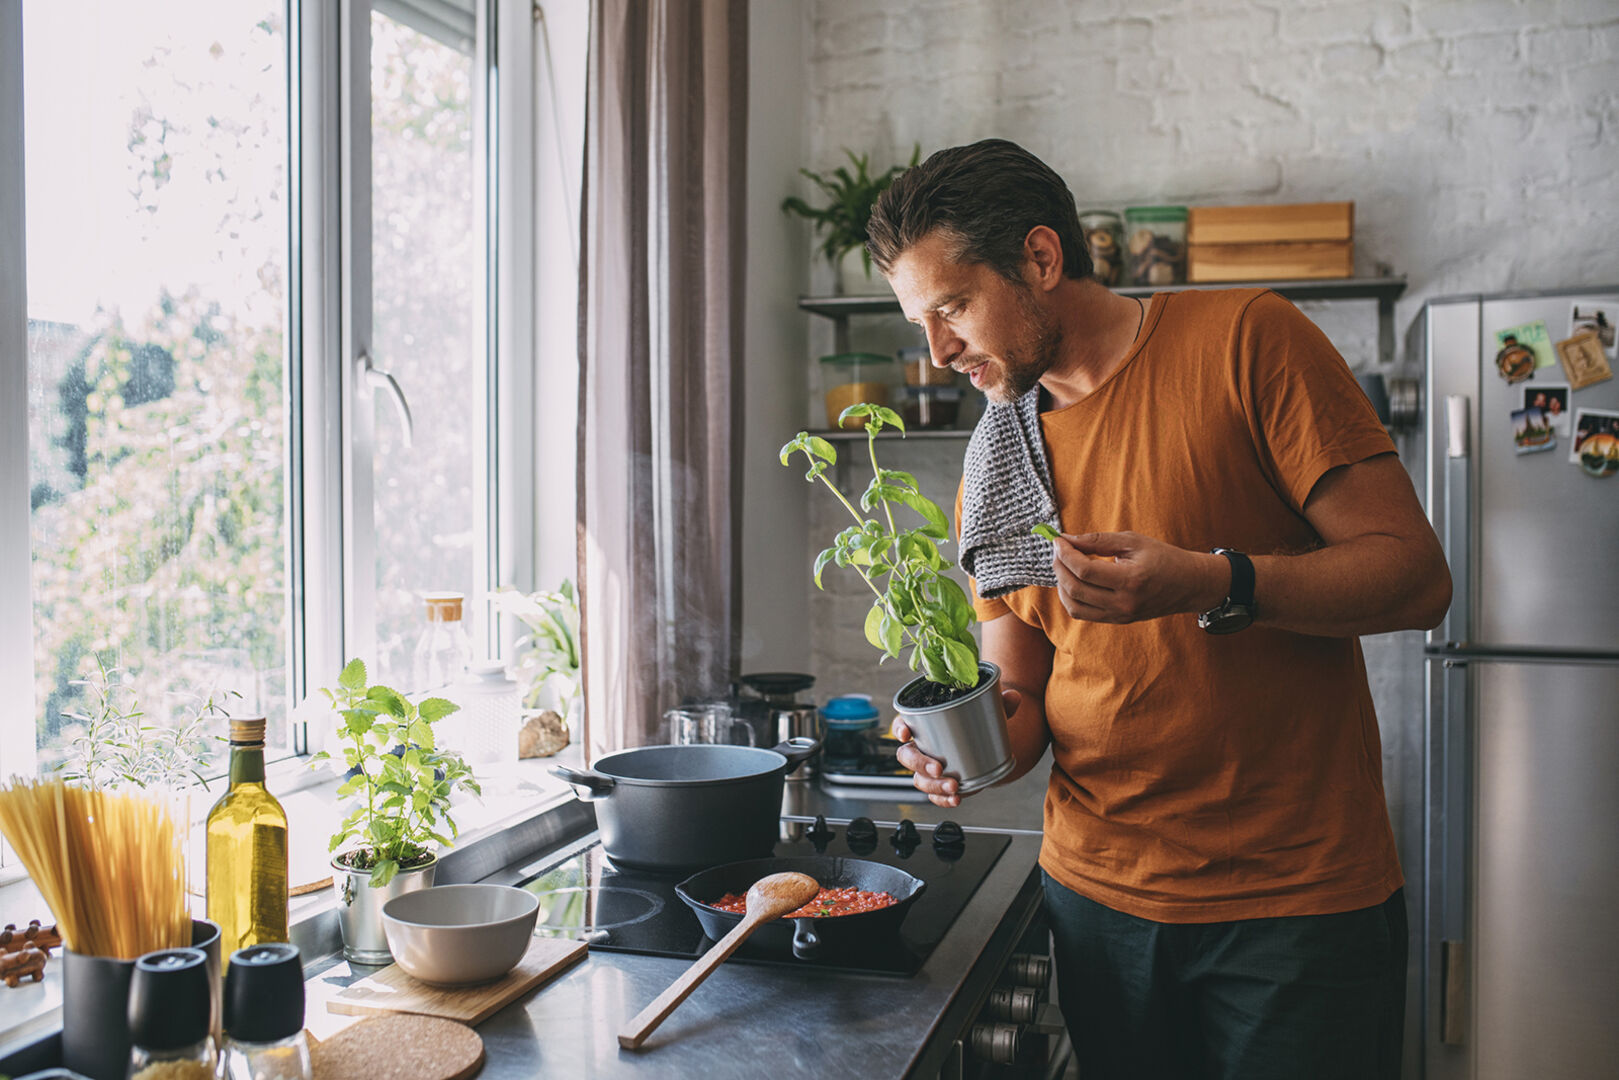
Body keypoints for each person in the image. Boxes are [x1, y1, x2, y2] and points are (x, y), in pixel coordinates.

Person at [864, 140, 1451, 1080]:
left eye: (953, 308)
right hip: (1096, 901)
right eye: (918, 323)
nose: (936, 354)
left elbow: (1414, 577)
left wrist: (1215, 583)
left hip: (1294, 905)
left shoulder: (1246, 340)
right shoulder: (996, 467)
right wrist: (960, 746)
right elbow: (1021, 694)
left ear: (1040, 258)